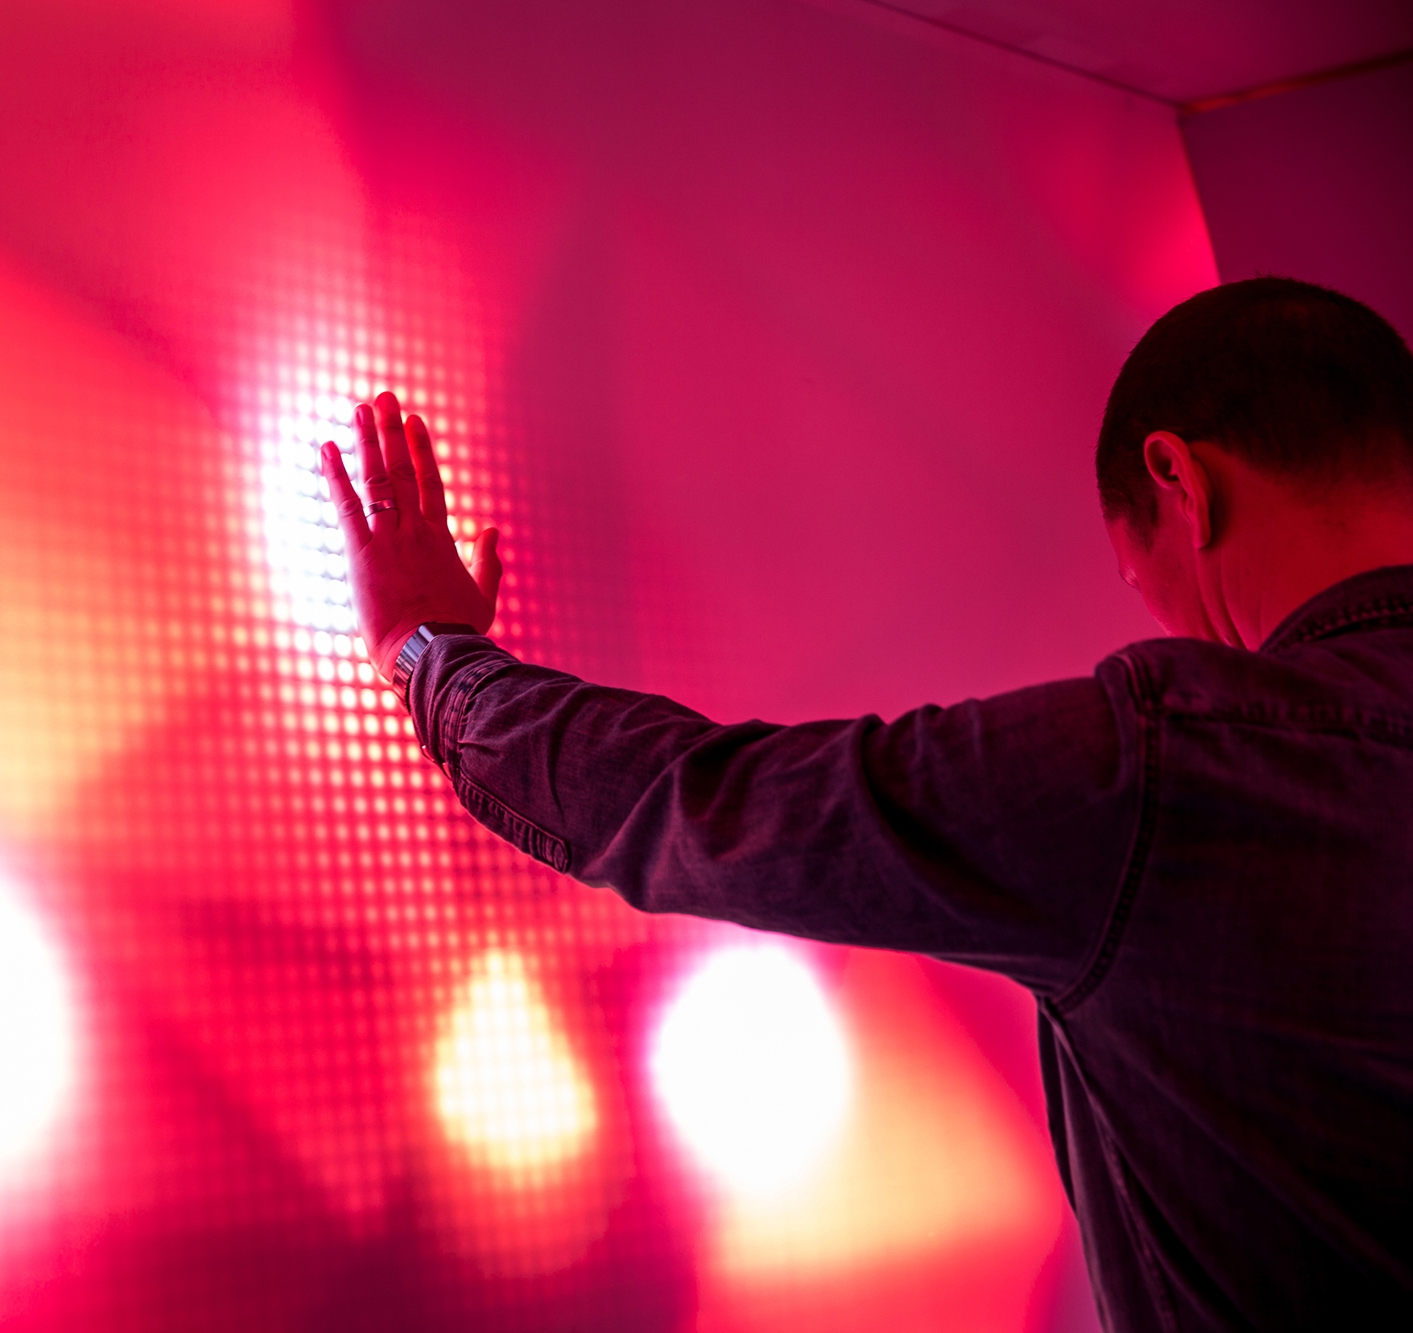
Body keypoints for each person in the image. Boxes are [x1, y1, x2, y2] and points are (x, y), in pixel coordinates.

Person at [321, 276, 1413, 1332]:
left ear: (1179, 480)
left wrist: (431, 653)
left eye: (1142, 576)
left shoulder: (1170, 765)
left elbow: (724, 809)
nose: (1172, 625)